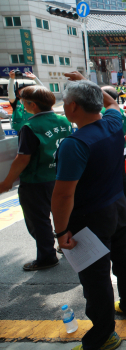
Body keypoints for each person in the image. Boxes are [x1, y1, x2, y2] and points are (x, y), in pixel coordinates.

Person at [52, 72, 126, 350]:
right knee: (124, 256)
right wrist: (89, 84)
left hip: (89, 217)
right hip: (117, 206)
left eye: (66, 102)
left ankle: (104, 336)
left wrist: (60, 231)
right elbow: (114, 105)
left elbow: (64, 194)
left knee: (95, 277)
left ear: (74, 107)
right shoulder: (115, 123)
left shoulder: (75, 144)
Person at [0, 86, 71, 271]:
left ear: (32, 104)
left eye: (23, 102)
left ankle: (47, 257)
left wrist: (7, 182)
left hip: (36, 180)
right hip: (61, 176)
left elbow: (23, 158)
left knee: (39, 220)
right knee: (63, 212)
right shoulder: (64, 121)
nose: (22, 105)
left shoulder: (30, 127)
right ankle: (66, 244)